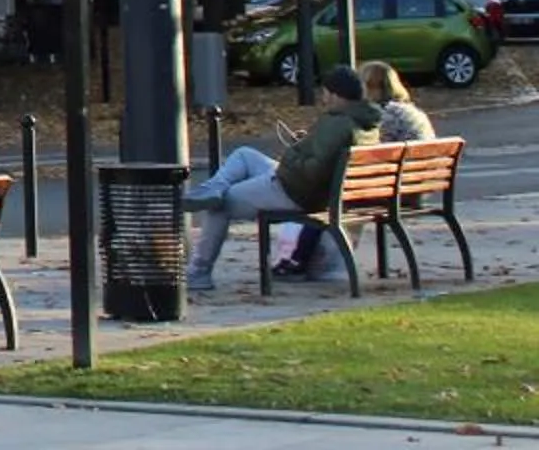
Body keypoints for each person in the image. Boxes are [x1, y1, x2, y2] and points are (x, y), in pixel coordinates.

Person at [184, 62, 379, 292]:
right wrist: (304, 147)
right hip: (318, 191)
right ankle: (211, 188)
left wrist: (292, 155)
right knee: (245, 155)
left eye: (326, 93)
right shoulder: (366, 124)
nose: (324, 98)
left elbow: (312, 172)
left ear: (336, 95)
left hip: (295, 192)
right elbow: (324, 160)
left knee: (221, 205)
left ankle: (199, 272)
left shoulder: (337, 124)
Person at [276, 59, 431, 277]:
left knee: (325, 197)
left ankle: (299, 259)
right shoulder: (412, 113)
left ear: (374, 88)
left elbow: (362, 153)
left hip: (394, 191)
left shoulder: (383, 116)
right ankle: (311, 258)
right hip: (414, 188)